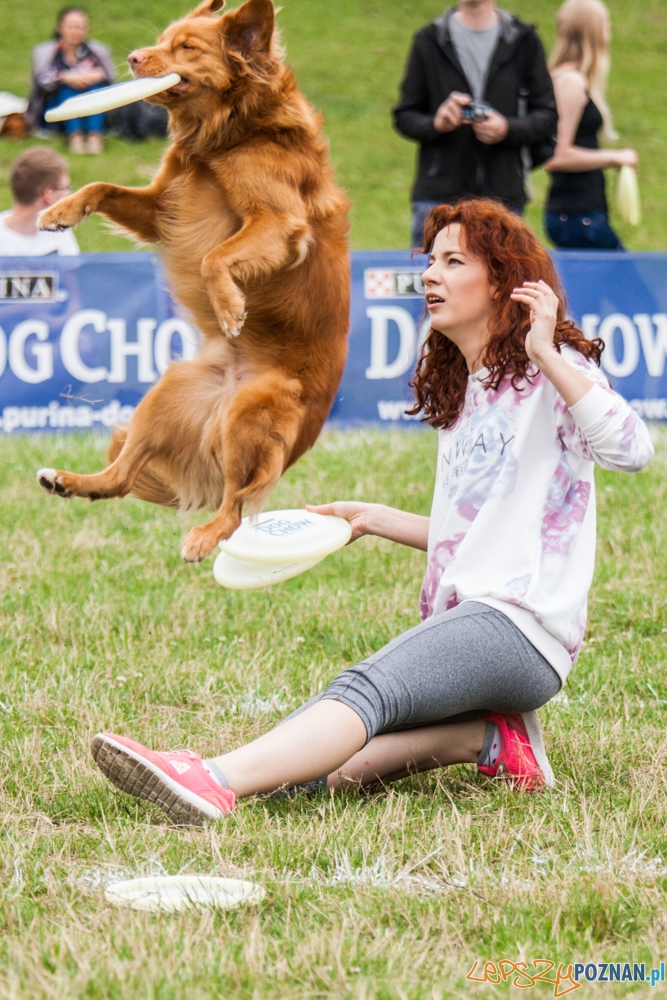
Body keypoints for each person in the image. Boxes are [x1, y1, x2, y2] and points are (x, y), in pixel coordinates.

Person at [89, 199, 653, 825]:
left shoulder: (551, 372)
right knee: (327, 775)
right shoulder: (468, 399)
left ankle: (211, 779)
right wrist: (373, 518)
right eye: (430, 261)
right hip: (479, 625)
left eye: (453, 261)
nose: (430, 276)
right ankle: (495, 741)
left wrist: (545, 350)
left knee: (364, 690)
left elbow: (632, 450)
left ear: (501, 282)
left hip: (519, 630)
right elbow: (475, 539)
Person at [393, 0, 558, 247]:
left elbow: (547, 115)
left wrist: (507, 129)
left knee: (502, 283)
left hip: (504, 197)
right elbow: (405, 115)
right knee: (432, 281)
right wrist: (438, 124)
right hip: (439, 197)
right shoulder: (430, 39)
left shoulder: (523, 40)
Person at [544, 0, 637, 250]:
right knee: (630, 286)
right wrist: (616, 157)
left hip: (582, 216)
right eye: (605, 24)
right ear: (594, 31)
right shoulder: (571, 83)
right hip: (577, 217)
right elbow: (558, 156)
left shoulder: (570, 79)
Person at [26, 6, 115, 154]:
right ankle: (75, 136)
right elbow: (40, 82)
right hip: (55, 108)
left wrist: (97, 75)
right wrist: (63, 77)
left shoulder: (98, 51)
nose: (76, 32)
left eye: (80, 28)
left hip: (92, 104)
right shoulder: (44, 52)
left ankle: (94, 136)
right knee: (67, 90)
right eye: (71, 27)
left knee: (94, 90)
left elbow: (111, 79)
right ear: (60, 27)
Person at [0, 147, 79, 256]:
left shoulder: (58, 231)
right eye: (66, 187)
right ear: (48, 194)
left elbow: (72, 272)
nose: (70, 195)